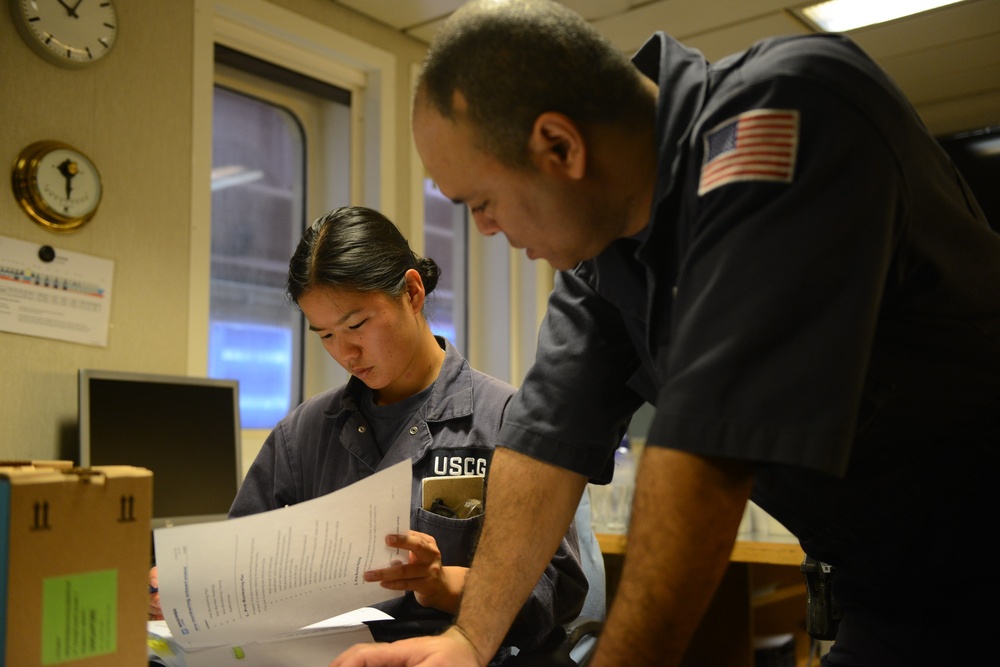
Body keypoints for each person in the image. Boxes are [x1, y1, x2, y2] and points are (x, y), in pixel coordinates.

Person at [329, 1, 1000, 666]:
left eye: (481, 201)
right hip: (898, 597)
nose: (484, 229)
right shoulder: (604, 257)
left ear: (560, 146)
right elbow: (541, 446)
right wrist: (468, 640)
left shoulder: (784, 114)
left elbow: (707, 456)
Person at [148, 205, 594, 664]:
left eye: (357, 325)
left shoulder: (503, 420)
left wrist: (443, 586)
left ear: (413, 292)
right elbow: (238, 572)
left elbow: (558, 590)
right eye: (325, 335)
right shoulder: (301, 435)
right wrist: (191, 589)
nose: (346, 352)